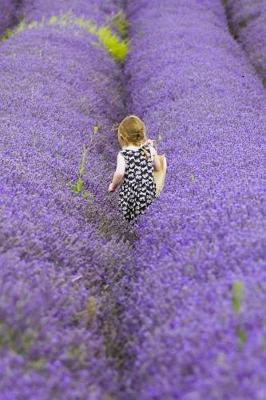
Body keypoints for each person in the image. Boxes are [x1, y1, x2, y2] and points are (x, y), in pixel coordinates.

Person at [108, 115, 161, 222]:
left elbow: (119, 174)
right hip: (148, 194)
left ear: (122, 138)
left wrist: (113, 186)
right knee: (147, 219)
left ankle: (131, 232)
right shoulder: (149, 150)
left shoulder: (124, 154)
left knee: (131, 220)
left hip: (131, 197)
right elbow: (158, 167)